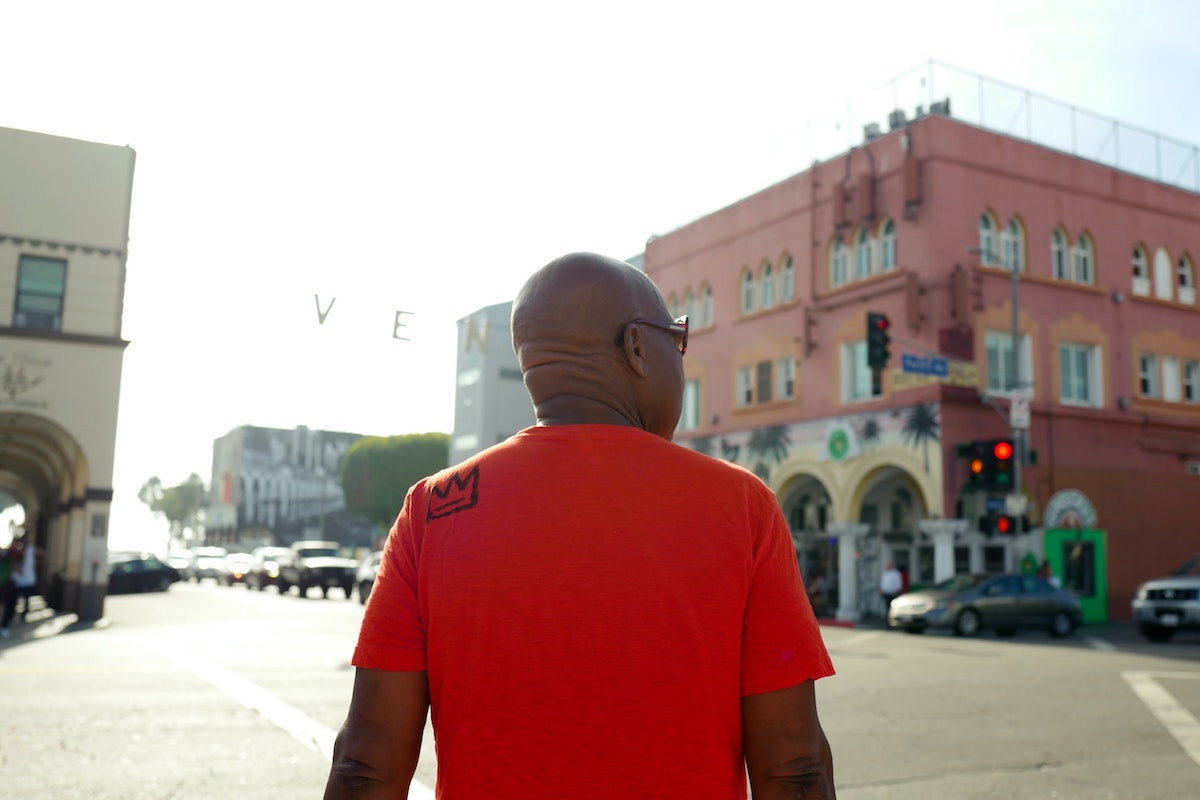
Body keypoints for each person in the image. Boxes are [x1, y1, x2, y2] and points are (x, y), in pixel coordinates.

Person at [325, 253, 836, 799]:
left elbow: (366, 766)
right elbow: (793, 767)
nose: (681, 358)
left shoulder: (432, 510)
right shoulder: (740, 506)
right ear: (638, 346)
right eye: (677, 338)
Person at [1, 534, 37, 637]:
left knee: (15, 604)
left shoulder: (25, 552)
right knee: (9, 605)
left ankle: (7, 624)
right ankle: (5, 625)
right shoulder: (10, 554)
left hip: (19, 582)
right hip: (10, 582)